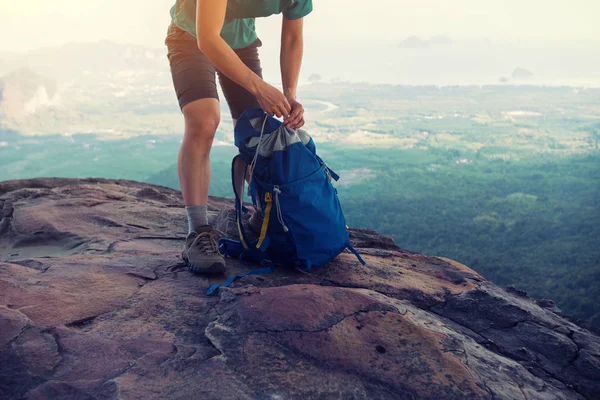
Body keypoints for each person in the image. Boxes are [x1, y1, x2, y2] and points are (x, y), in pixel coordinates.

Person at [165, 0, 312, 274]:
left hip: (240, 42)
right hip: (192, 36)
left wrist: (290, 95)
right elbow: (208, 39)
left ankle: (262, 219)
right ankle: (197, 232)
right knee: (204, 120)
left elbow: (292, 36)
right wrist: (259, 88)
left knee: (258, 132)